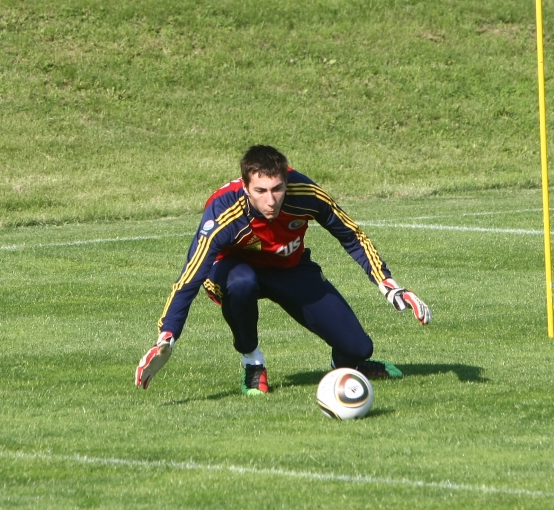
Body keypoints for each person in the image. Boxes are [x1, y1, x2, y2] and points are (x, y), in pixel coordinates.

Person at [136, 145, 431, 395]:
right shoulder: (223, 211)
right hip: (235, 271)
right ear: (245, 187)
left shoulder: (306, 193)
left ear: (286, 182)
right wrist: (167, 337)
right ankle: (252, 362)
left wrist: (387, 283)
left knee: (359, 346)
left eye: (277, 188)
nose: (271, 199)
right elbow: (191, 275)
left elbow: (351, 234)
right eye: (261, 191)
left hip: (290, 268)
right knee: (241, 283)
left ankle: (347, 364)